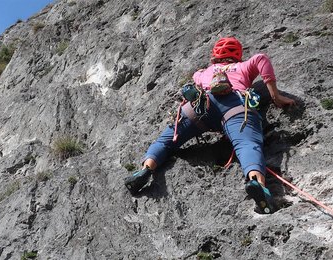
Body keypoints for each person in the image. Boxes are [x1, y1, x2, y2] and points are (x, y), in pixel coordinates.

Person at [124, 37, 295, 213]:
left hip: (200, 106)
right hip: (235, 105)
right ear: (238, 54)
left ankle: (145, 169)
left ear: (215, 55)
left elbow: (195, 78)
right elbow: (260, 59)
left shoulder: (203, 72)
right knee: (246, 144)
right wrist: (275, 96)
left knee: (166, 141)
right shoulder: (243, 67)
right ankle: (257, 184)